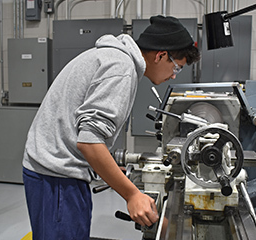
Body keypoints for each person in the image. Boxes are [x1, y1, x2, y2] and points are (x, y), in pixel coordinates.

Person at [22, 15, 200, 239]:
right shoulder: (121, 68)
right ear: (161, 55)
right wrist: (132, 194)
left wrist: (109, 169)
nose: (173, 75)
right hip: (57, 177)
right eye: (177, 67)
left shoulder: (113, 57)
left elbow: (83, 131)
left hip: (51, 169)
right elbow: (89, 142)